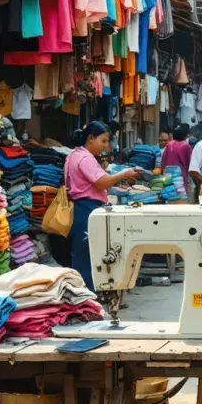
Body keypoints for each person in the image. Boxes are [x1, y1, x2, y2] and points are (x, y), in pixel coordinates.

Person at [65, 122, 141, 289]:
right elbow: (101, 182)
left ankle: (84, 296)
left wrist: (114, 184)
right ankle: (88, 298)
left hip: (81, 208)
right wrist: (124, 174)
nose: (106, 146)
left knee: (83, 256)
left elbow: (91, 184)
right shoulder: (85, 158)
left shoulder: (74, 155)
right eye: (104, 141)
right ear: (91, 138)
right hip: (87, 210)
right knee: (88, 256)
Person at [161, 123, 193, 190]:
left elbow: (163, 161)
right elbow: (190, 163)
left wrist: (163, 173)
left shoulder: (169, 144)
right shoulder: (186, 146)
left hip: (168, 176)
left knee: (168, 195)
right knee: (180, 198)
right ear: (185, 135)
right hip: (180, 178)